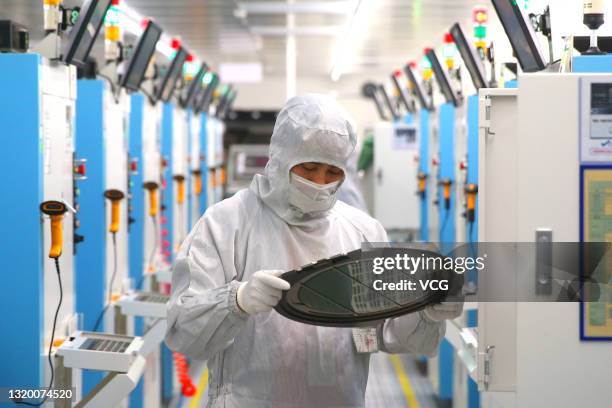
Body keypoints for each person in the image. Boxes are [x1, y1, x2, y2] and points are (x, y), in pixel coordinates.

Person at [165, 94, 462, 408]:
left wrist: (426, 315)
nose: (321, 183)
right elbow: (183, 331)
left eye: (332, 173)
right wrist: (236, 301)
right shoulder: (227, 223)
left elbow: (387, 330)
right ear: (280, 160)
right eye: (309, 168)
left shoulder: (363, 231)